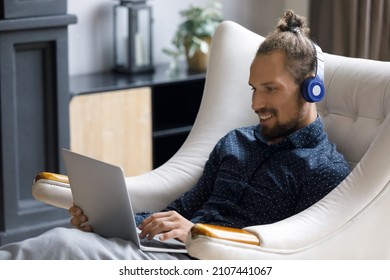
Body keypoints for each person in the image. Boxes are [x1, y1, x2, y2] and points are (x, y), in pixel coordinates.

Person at [0, 10, 350, 260]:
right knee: (61, 242)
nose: (256, 102)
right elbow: (181, 209)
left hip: (212, 263)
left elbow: (298, 251)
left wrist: (198, 235)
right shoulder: (235, 142)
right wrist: (111, 223)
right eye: (253, 88)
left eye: (270, 89)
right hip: (164, 252)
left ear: (312, 89)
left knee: (61, 250)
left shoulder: (324, 171)